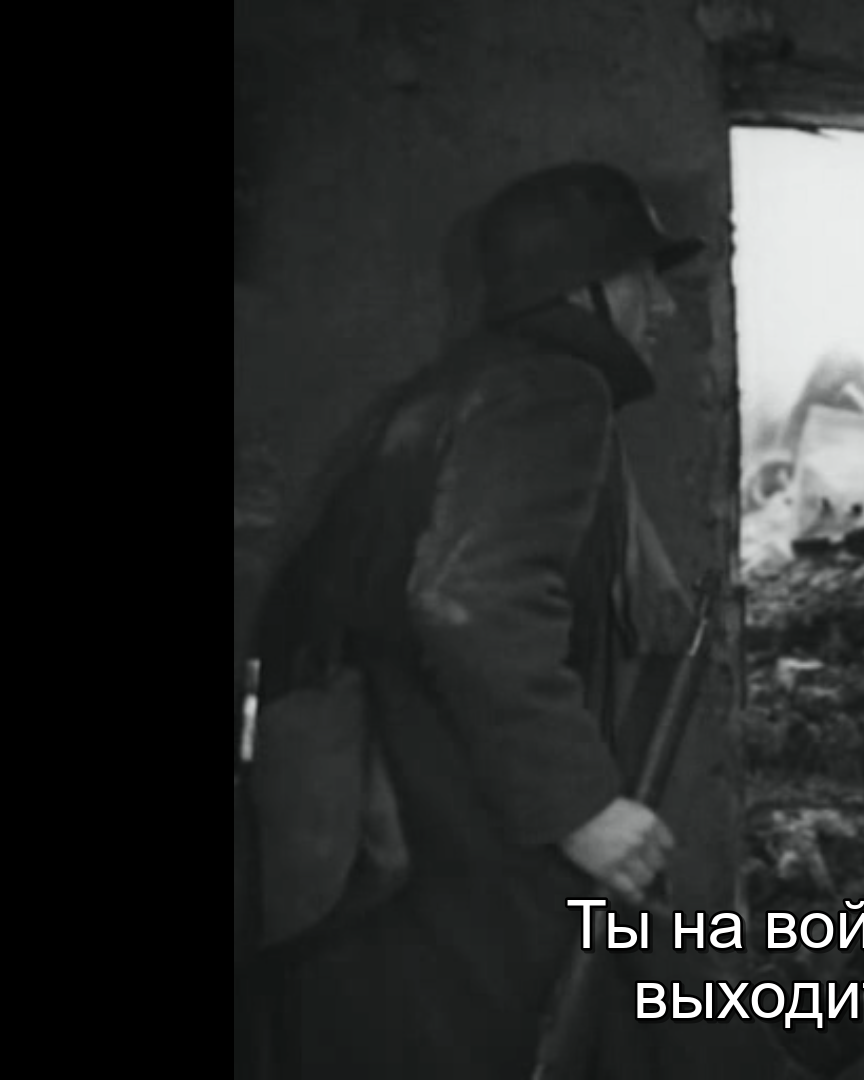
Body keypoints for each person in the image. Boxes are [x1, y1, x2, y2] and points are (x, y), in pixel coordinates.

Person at [242, 161, 702, 1080]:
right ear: (581, 288)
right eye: (641, 278)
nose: (663, 306)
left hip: (383, 837)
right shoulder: (552, 389)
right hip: (450, 833)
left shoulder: (458, 389)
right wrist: (582, 807)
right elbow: (473, 601)